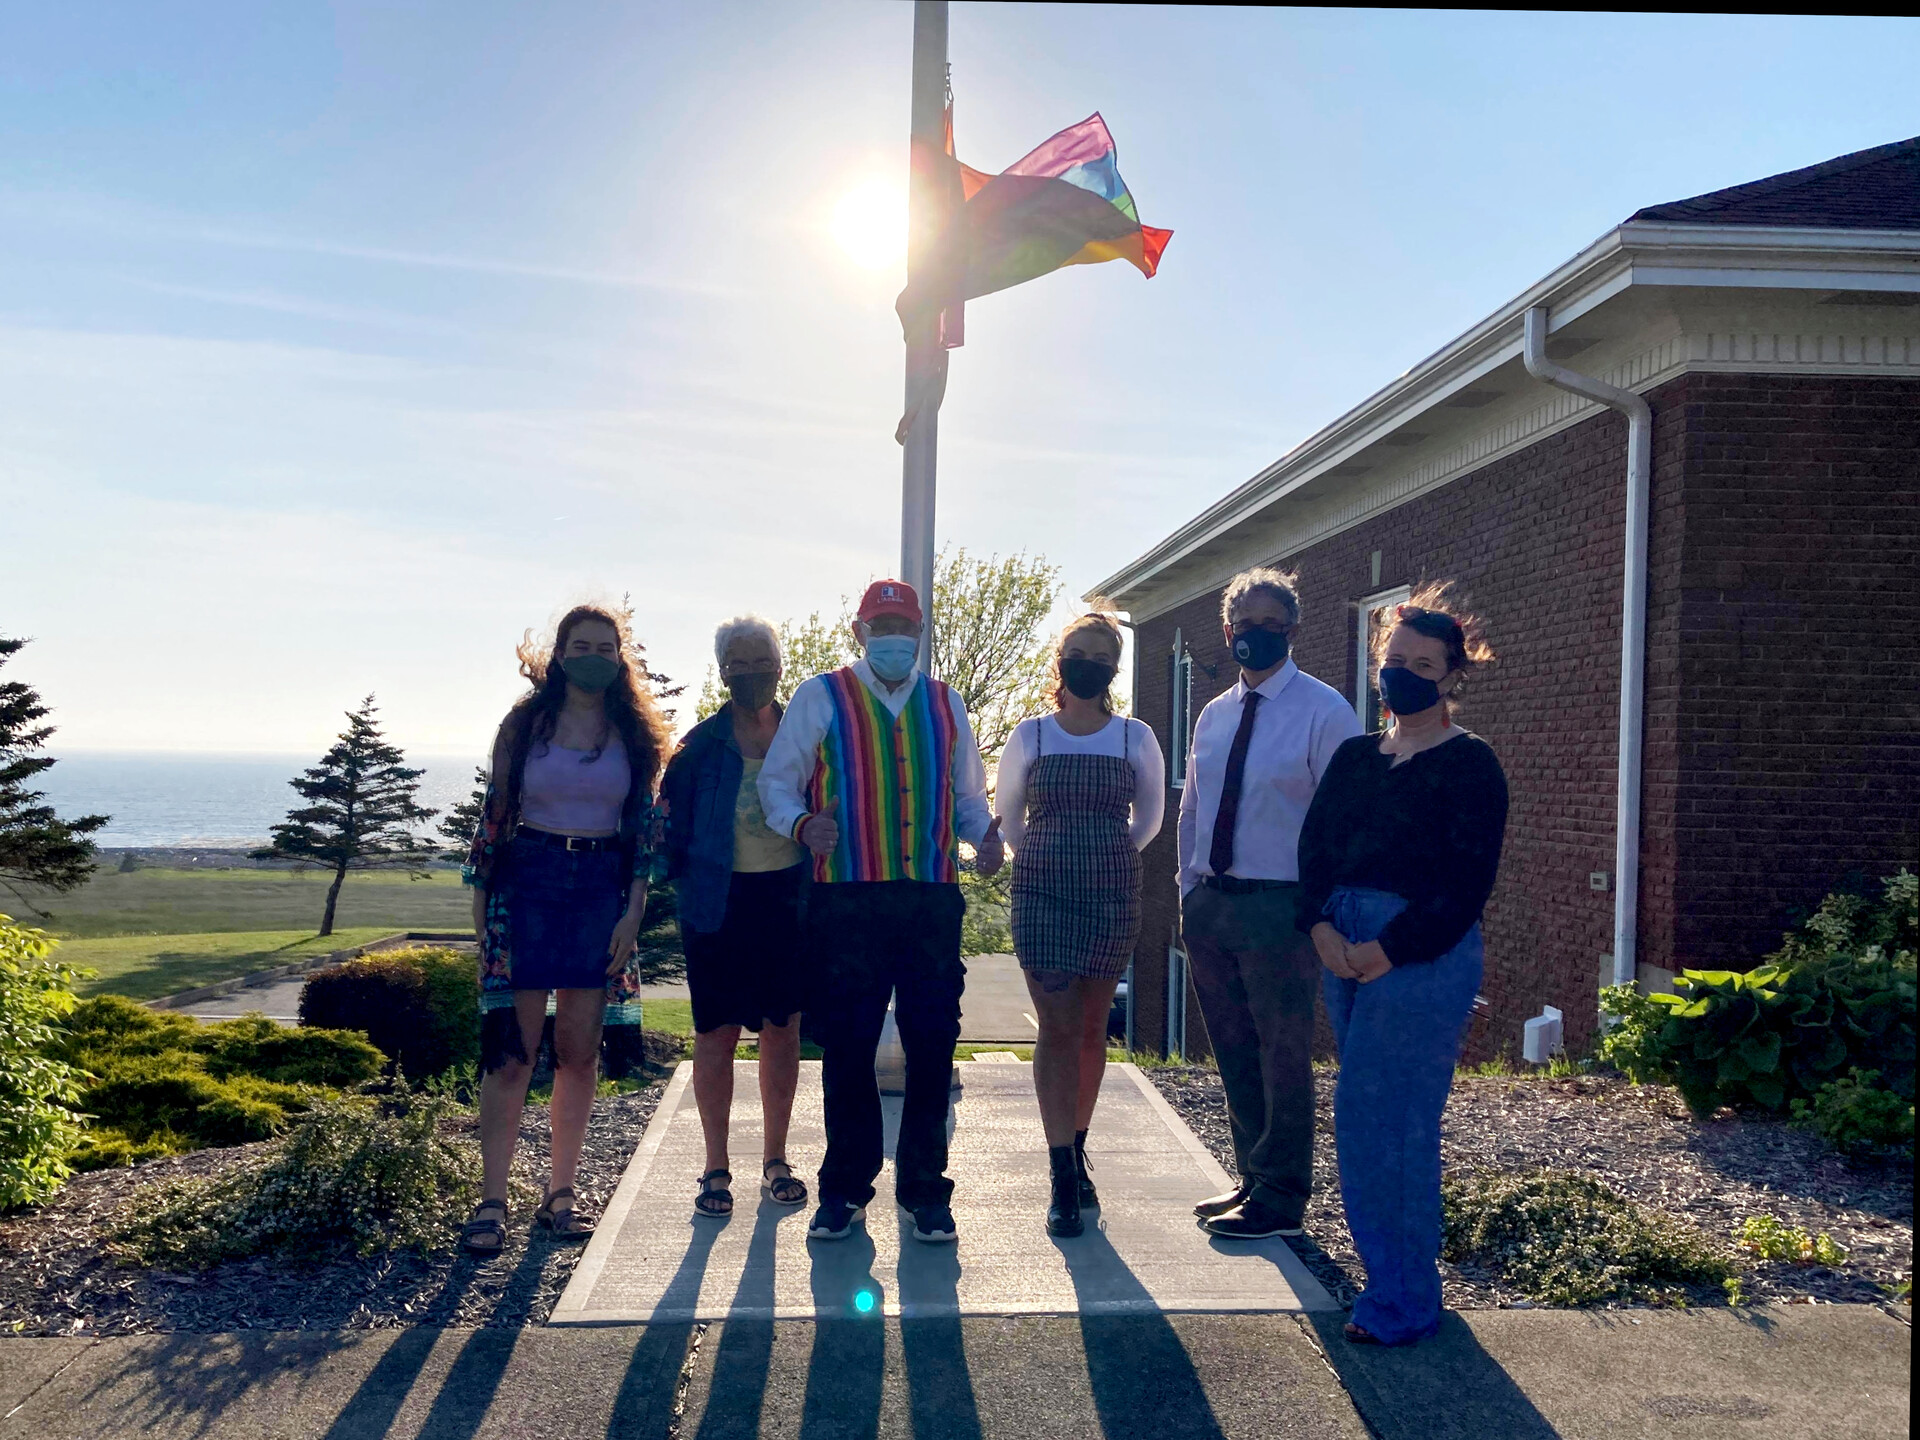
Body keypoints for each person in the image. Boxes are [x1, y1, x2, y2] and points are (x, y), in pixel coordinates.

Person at [758, 578, 1003, 1245]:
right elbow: (776, 783)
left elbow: (968, 796)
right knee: (848, 1046)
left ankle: (926, 1191)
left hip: (929, 897)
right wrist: (803, 824)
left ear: (920, 633)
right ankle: (844, 1189)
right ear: (860, 632)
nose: (894, 637)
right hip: (848, 899)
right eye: (881, 626)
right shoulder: (821, 696)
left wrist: (985, 837)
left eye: (905, 626)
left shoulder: (947, 705)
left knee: (931, 1044)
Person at [1299, 584, 1507, 1346]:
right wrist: (1321, 929)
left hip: (1419, 952)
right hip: (1342, 937)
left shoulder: (1471, 766)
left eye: (1422, 663)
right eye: (1393, 660)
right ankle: (1392, 1285)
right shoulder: (1357, 756)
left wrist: (1385, 950)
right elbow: (1314, 850)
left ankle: (1401, 1299)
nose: (1403, 674)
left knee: (1388, 1121)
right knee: (1364, 1121)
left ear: (1452, 674)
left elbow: (1464, 885)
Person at [460, 604, 671, 1255]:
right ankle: (492, 1201)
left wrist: (633, 908)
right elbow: (496, 813)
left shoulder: (633, 734)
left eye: (606, 648)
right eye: (581, 646)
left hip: (600, 889)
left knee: (580, 1052)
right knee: (512, 1052)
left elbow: (644, 830)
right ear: (557, 654)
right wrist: (481, 909)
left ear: (621, 658)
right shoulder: (526, 725)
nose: (594, 657)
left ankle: (561, 1194)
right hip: (528, 880)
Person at [1179, 567, 1362, 1239]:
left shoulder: (1324, 711)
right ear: (1228, 632)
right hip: (1212, 903)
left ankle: (1283, 1195)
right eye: (1245, 624)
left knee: (1282, 1051)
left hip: (1281, 908)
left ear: (1292, 629)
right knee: (1233, 1047)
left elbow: (1340, 822)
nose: (1256, 634)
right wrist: (1187, 889)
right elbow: (1193, 806)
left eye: (1270, 623)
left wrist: (1316, 911)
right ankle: (1251, 1177)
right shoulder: (1214, 713)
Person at [995, 610, 1165, 1236]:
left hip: (1111, 894)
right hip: (1042, 894)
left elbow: (1147, 820)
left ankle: (1080, 1143)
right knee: (1058, 1027)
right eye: (1077, 652)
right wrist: (1050, 855)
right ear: (1060, 659)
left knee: (1094, 1030)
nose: (1087, 663)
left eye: (1100, 655)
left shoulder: (1135, 737)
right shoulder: (1031, 734)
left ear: (1113, 669)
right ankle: (1061, 1169)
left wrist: (1104, 856)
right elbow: (1008, 816)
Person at [661, 616, 809, 1220]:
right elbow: (670, 834)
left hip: (788, 902)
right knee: (716, 1035)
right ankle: (715, 1167)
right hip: (717, 907)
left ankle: (776, 1159)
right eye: (739, 664)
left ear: (779, 662)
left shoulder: (803, 736)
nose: (752, 674)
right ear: (722, 671)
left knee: (782, 1029)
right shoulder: (698, 750)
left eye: (761, 661)